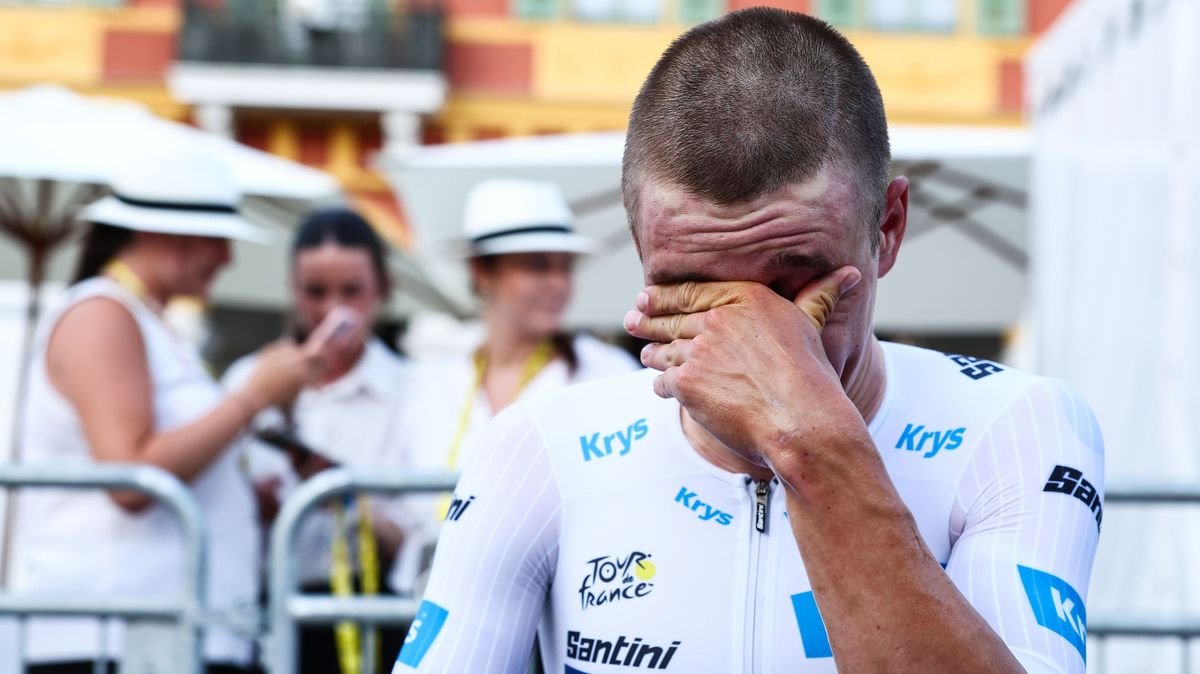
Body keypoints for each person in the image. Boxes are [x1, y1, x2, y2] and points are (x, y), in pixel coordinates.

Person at [392, 9, 1103, 674]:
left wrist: (811, 440)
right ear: (640, 242)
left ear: (887, 227)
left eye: (794, 285)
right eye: (694, 287)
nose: (745, 333)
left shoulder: (1015, 426)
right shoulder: (537, 448)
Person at [10, 149, 328, 674]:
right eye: (216, 239)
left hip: (159, 636)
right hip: (121, 638)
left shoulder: (140, 319)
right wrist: (253, 397)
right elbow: (131, 481)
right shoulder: (102, 315)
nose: (226, 258)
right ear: (167, 236)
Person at [387, 178, 639, 594]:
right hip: (424, 606)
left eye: (565, 266)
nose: (558, 282)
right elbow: (400, 519)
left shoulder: (608, 375)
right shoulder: (427, 381)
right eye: (538, 265)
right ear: (481, 271)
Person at [223, 208, 410, 674]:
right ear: (291, 290)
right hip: (260, 604)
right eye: (315, 291)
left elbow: (417, 533)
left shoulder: (413, 388)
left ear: (382, 289)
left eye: (352, 291)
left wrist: (343, 496)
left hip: (371, 608)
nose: (333, 310)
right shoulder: (249, 380)